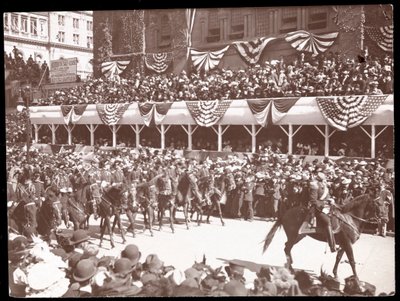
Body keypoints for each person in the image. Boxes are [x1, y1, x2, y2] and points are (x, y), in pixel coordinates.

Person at [301, 172, 338, 253]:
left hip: (327, 206)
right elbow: (313, 200)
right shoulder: (314, 186)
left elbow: (327, 196)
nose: (324, 181)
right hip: (317, 208)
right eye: (323, 180)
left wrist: (330, 200)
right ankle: (332, 246)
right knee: (327, 221)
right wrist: (322, 207)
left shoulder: (324, 186)